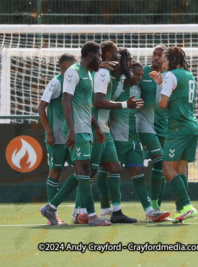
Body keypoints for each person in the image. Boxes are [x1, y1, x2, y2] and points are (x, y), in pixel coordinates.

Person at [40, 41, 109, 226]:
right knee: (84, 172)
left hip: (85, 129)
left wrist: (96, 127)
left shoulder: (88, 73)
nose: (101, 59)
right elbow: (65, 100)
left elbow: (87, 105)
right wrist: (70, 130)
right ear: (90, 55)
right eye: (99, 55)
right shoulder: (73, 72)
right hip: (76, 130)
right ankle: (91, 216)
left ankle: (51, 207)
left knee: (83, 173)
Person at [85, 41, 142, 224]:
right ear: (109, 55)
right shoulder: (102, 73)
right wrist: (126, 105)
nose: (121, 56)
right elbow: (98, 102)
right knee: (88, 172)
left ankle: (116, 212)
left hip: (104, 129)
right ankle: (78, 211)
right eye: (117, 53)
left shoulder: (108, 74)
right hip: (94, 128)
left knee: (114, 167)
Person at [110, 54, 170, 222]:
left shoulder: (137, 89)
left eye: (141, 75)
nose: (139, 78)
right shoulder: (117, 86)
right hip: (116, 137)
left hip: (133, 138)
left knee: (138, 172)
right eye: (136, 74)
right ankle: (100, 210)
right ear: (128, 72)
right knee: (100, 172)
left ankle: (150, 210)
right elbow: (103, 105)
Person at [159, 47, 198, 223]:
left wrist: (161, 85)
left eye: (165, 60)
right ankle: (181, 210)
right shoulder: (190, 75)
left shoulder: (171, 75)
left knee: (167, 168)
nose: (163, 63)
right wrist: (162, 83)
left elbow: (163, 103)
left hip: (178, 128)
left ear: (173, 60)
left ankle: (187, 205)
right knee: (181, 169)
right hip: (191, 125)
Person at [38, 53, 77, 225]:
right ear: (67, 67)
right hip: (57, 137)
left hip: (73, 136)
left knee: (83, 170)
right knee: (55, 172)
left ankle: (80, 211)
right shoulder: (55, 83)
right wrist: (49, 132)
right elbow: (41, 107)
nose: (77, 68)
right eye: (74, 65)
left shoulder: (76, 82)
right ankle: (52, 215)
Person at [137, 44, 169, 212]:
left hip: (164, 126)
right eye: (154, 54)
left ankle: (157, 207)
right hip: (145, 124)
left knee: (162, 168)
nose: (156, 57)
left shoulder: (170, 75)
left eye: (159, 55)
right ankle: (152, 208)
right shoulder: (142, 73)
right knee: (159, 161)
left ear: (165, 58)